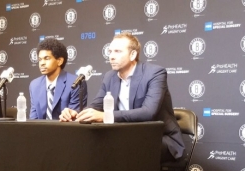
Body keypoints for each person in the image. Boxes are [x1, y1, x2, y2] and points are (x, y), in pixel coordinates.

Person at [59, 33, 185, 163]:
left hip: (160, 139)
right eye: (110, 51)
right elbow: (96, 106)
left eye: (117, 51)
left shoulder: (155, 73)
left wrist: (105, 117)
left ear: (133, 55)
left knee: (123, 149)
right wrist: (77, 114)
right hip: (125, 138)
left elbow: (148, 112)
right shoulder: (109, 77)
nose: (111, 56)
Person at [29, 38, 88, 120]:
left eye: (47, 58)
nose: (42, 63)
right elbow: (33, 119)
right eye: (40, 59)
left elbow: (74, 118)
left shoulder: (76, 83)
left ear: (59, 61)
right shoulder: (34, 85)